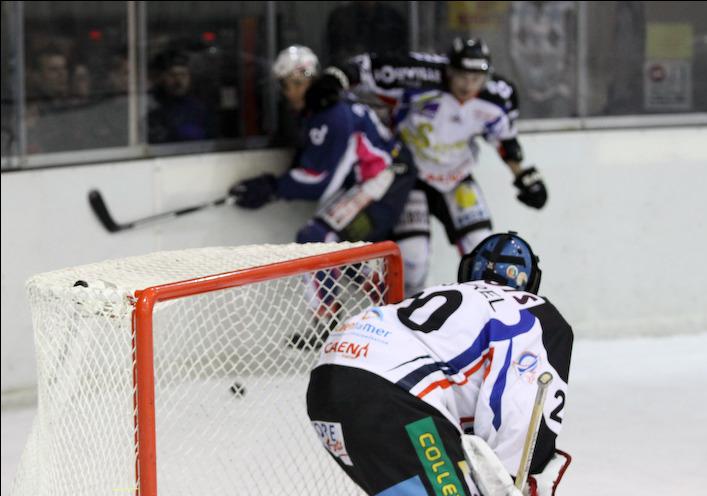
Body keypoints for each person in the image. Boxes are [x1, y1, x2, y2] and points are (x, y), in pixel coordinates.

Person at [307, 232, 573, 496]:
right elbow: (519, 412)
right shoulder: (531, 310)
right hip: (393, 395)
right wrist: (512, 485)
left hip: (327, 382)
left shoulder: (438, 294)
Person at [308, 38, 550, 296]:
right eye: (462, 76)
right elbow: (367, 67)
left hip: (457, 176)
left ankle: (487, 311)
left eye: (476, 78)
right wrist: (337, 77)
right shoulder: (419, 76)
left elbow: (504, 140)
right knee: (413, 259)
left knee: (482, 247)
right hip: (412, 178)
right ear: (449, 70)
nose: (468, 85)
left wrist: (523, 175)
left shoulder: (498, 95)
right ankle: (409, 314)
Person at [228, 45, 417, 346]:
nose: (288, 93)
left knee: (316, 238)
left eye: (292, 84)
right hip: (382, 179)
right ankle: (393, 309)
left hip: (384, 182)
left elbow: (320, 179)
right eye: (285, 85)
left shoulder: (331, 113)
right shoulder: (323, 108)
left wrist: (272, 187)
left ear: (306, 80)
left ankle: (327, 321)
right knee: (341, 249)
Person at [148, 49, 214, 143]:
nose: (178, 81)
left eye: (183, 75)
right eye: (172, 75)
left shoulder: (200, 108)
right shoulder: (153, 107)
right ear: (162, 78)